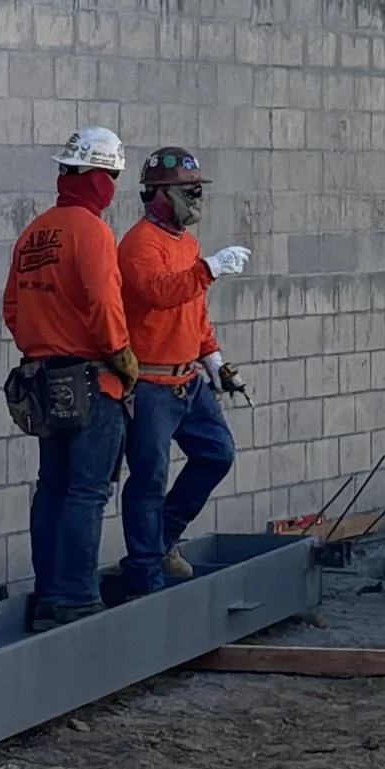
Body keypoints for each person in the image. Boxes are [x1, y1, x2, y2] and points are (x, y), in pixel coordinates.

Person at [2, 128, 140, 632]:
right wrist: (122, 357)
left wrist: (42, 342)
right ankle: (77, 598)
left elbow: (12, 308)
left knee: (53, 488)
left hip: (43, 380)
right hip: (92, 380)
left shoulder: (34, 232)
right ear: (97, 177)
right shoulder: (92, 232)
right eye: (112, 177)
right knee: (87, 490)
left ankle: (49, 595)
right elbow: (104, 303)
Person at [116, 146, 252, 595]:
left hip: (186, 380)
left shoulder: (186, 244)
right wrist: (209, 269)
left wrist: (212, 358)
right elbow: (159, 292)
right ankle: (144, 569)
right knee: (149, 478)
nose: (196, 197)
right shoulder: (138, 245)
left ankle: (160, 541)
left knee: (217, 454)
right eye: (186, 189)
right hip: (151, 385)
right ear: (158, 193)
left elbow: (193, 310)